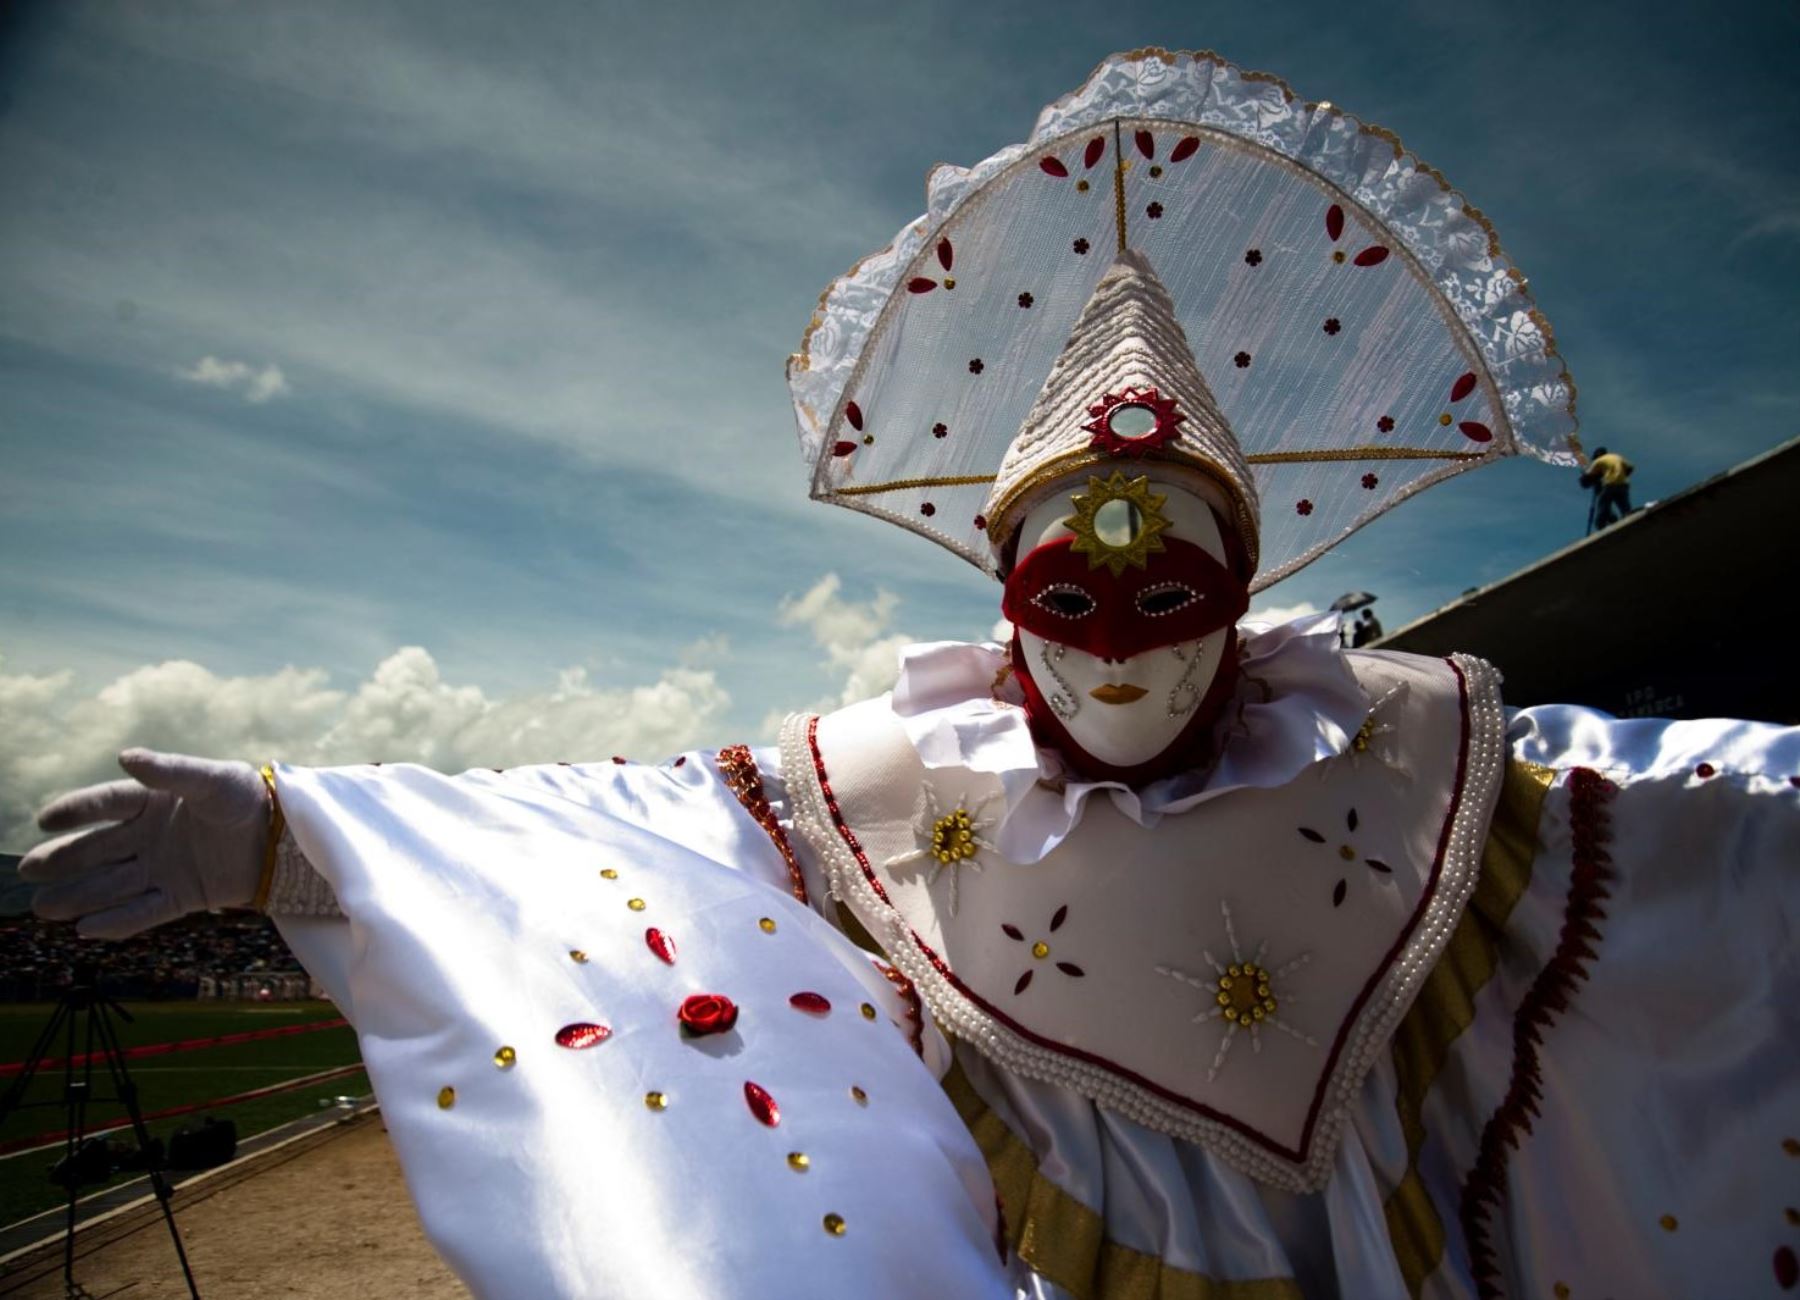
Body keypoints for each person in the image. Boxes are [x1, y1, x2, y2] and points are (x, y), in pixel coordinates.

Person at [19, 49, 1798, 1300]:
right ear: (1002, 603)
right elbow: (613, 834)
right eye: (1071, 597)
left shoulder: (1415, 767)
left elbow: (1682, 810)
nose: (1122, 642)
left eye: (1172, 590)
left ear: (1249, 597)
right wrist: (296, 834)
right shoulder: (883, 794)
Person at [1580, 444, 1634, 528]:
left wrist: (1587, 478)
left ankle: (1601, 523)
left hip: (1610, 484)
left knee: (1603, 503)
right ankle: (1629, 516)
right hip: (1623, 485)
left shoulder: (1599, 460)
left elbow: (1588, 475)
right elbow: (1630, 467)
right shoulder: (1617, 457)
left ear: (1598, 455)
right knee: (1623, 504)